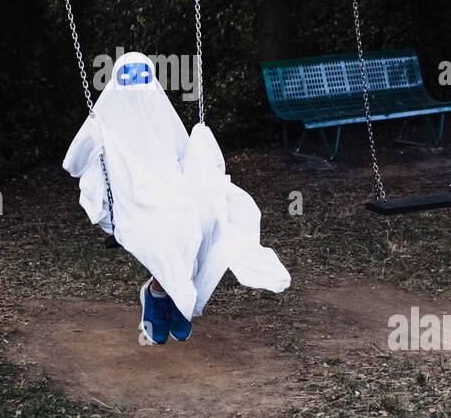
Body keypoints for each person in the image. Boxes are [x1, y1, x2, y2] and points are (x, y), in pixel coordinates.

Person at [63, 51, 290, 344]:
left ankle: (166, 293)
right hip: (129, 203)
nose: (137, 86)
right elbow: (73, 164)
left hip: (170, 193)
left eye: (143, 79)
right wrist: (96, 144)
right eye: (129, 79)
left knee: (204, 220)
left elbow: (185, 158)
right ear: (116, 84)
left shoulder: (161, 115)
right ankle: (169, 295)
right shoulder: (103, 124)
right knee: (169, 229)